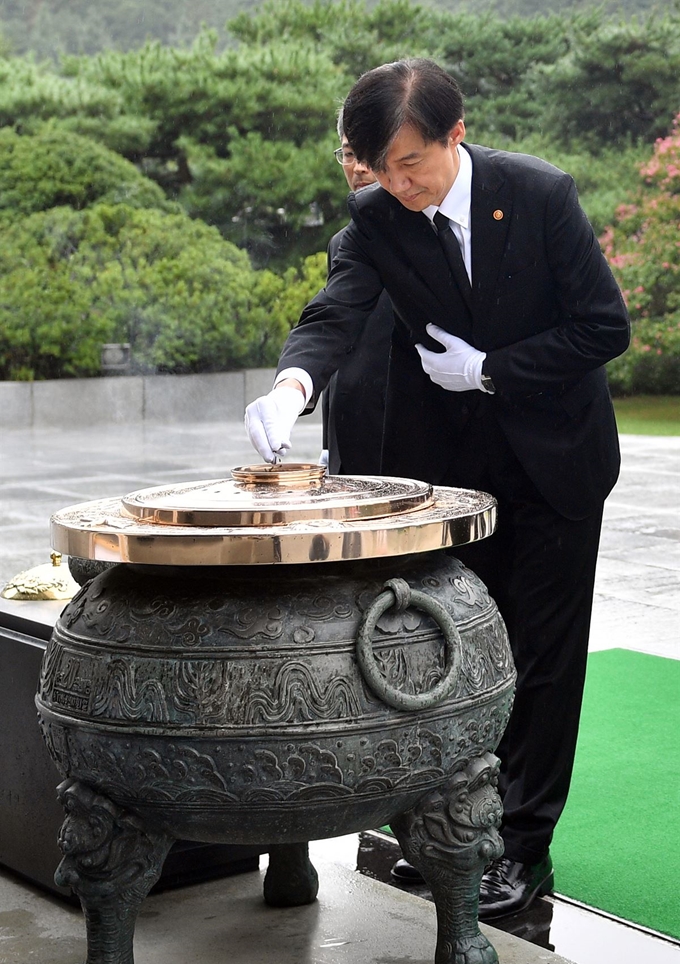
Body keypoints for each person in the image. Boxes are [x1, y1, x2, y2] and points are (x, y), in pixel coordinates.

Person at [245, 59, 630, 920]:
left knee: (540, 664)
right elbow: (337, 308)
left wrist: (491, 370)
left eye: (410, 164)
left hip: (556, 463)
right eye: (378, 168)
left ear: (456, 134)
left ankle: (522, 853)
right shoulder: (380, 214)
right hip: (460, 479)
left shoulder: (538, 195)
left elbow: (605, 327)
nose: (395, 185)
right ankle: (455, 832)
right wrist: (292, 388)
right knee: (455, 659)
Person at [320, 116, 394, 474]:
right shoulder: (340, 243)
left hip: (405, 425)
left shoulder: (429, 235)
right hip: (351, 426)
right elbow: (337, 338)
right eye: (349, 154)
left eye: (368, 154)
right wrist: (325, 443)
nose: (359, 168)